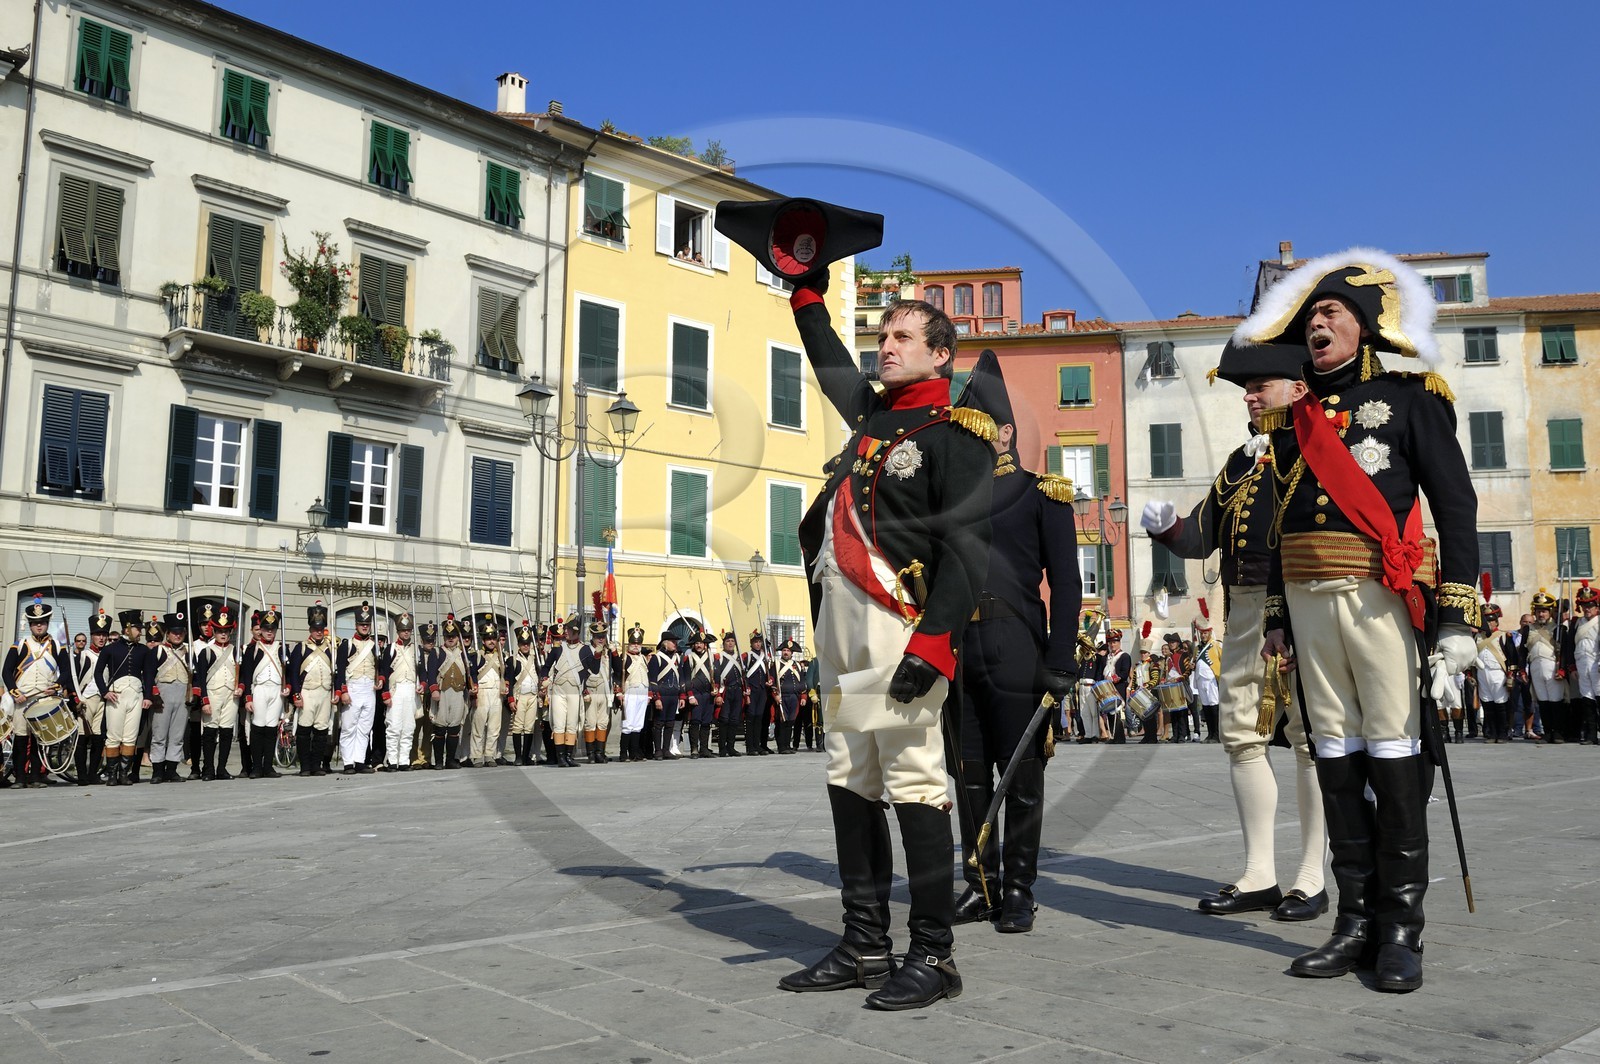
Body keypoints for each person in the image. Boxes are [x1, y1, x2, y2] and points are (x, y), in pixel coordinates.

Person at [1249, 248, 1480, 992]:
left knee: (1393, 755)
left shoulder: (1414, 400)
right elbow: (1280, 524)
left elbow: (1457, 508)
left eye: (1331, 313)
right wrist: (1279, 613)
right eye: (1311, 315)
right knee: (1336, 758)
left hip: (1380, 598)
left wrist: (1457, 620)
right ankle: (1353, 923)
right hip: (1311, 602)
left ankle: (1402, 928)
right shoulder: (1297, 421)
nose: (1317, 325)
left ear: (1366, 327)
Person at [776, 277, 994, 1011]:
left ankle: (934, 954)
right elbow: (831, 363)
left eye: (902, 336)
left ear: (940, 355)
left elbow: (969, 550)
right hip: (840, 624)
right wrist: (806, 294)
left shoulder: (955, 434)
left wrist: (934, 643)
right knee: (850, 778)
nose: (885, 344)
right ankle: (865, 942)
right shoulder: (872, 420)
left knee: (913, 781)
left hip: (900, 627)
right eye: (883, 334)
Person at [1143, 338, 1329, 920]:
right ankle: (1259, 873)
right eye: (1246, 388)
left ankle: (1310, 876)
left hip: (1303, 598)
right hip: (1244, 608)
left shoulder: (1319, 449)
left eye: (1260, 386)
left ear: (1298, 388)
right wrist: (1170, 528)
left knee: (1311, 739)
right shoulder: (1244, 461)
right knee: (1241, 734)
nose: (1249, 396)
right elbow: (1206, 534)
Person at [944, 349, 1081, 932]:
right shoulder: (947, 503)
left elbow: (1068, 583)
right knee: (968, 772)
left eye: (976, 430)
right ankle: (980, 884)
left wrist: (1059, 658)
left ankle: (1019, 889)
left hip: (1015, 641)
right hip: (958, 643)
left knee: (1019, 775)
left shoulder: (1040, 493)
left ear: (1003, 433)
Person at [5, 595, 77, 788]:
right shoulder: (20, 644)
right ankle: (20, 778)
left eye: (42, 623)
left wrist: (56, 686)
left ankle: (35, 776)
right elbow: (6, 671)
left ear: (47, 624)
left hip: (44, 698)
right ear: (30, 625)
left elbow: (67, 672)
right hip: (23, 698)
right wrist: (14, 692)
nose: (39, 627)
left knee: (40, 740)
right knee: (20, 739)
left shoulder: (56, 645)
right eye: (35, 623)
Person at [191, 608, 241, 781]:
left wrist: (240, 686)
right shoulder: (206, 651)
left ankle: (222, 768)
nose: (223, 634)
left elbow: (242, 674)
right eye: (220, 631)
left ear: (230, 632)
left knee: (227, 732)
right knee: (210, 733)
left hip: (230, 696)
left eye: (226, 631)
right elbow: (201, 678)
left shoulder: (235, 651)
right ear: (214, 631)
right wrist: (204, 700)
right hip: (212, 694)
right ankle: (208, 768)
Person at [289, 603, 337, 776]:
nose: (318, 631)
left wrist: (336, 692)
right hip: (307, 693)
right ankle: (305, 766)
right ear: (310, 629)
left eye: (321, 628)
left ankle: (316, 765)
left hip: (324, 693)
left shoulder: (331, 648)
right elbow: (293, 673)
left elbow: (336, 673)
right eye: (315, 628)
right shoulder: (301, 648)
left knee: (321, 730)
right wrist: (296, 695)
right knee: (304, 731)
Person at [148, 613, 194, 783]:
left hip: (182, 694)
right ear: (167, 633)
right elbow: (149, 674)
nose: (177, 635)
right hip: (163, 693)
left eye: (180, 632)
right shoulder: (158, 651)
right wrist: (154, 694)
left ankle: (172, 769)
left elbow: (194, 676)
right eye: (174, 632)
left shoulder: (189, 651)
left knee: (177, 735)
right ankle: (157, 770)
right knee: (159, 734)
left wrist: (194, 695)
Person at [71, 611, 112, 785]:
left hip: (103, 701)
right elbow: (72, 678)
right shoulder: (83, 656)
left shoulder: (110, 655)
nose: (101, 638)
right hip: (86, 700)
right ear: (92, 636)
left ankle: (93, 773)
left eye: (104, 635)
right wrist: (76, 699)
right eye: (98, 635)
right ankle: (82, 775)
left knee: (98, 738)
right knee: (82, 738)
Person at [380, 612, 422, 771]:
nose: (406, 632)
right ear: (397, 631)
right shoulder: (391, 649)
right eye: (403, 630)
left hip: (411, 690)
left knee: (409, 727)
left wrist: (422, 684)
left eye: (409, 630)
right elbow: (383, 672)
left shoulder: (416, 649)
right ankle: (392, 760)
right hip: (395, 690)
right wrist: (385, 694)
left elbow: (422, 671)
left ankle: (404, 760)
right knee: (394, 727)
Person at [465, 613, 507, 767]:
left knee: (494, 726)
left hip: (496, 693)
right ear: (483, 640)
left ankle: (490, 754)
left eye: (493, 638)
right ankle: (476, 755)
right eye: (488, 639)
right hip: (482, 692)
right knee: (478, 726)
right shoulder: (476, 656)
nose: (491, 641)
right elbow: (473, 675)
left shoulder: (502, 656)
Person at [1523, 591, 1565, 744]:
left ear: (1550, 612)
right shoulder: (1528, 629)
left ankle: (1558, 732)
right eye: (1539, 611)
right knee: (1543, 701)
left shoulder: (1558, 629)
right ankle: (1547, 732)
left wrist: (1563, 668)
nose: (1541, 614)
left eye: (1544, 611)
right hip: (1535, 666)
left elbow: (1564, 651)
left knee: (1556, 700)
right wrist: (1522, 669)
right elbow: (1523, 651)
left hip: (1552, 666)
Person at [429, 615, 470, 769]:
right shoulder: (437, 652)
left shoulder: (463, 653)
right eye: (448, 636)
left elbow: (469, 672)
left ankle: (451, 760)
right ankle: (439, 761)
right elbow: (431, 672)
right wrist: (433, 689)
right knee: (439, 727)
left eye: (453, 636)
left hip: (458, 692)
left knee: (454, 728)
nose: (450, 639)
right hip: (442, 692)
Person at [1566, 582, 1599, 744]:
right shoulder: (1577, 623)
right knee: (1587, 700)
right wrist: (1571, 666)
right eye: (1584, 606)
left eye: (1590, 606)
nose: (1587, 609)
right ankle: (1591, 735)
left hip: (1597, 665)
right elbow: (1571, 646)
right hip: (1581, 664)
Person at [1475, 604, 1510, 742]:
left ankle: (1502, 733)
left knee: (1500, 705)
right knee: (1487, 704)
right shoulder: (1477, 636)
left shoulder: (1503, 636)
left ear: (1496, 621)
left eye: (1491, 620)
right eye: (1486, 620)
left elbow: (1511, 655)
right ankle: (1491, 732)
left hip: (1498, 673)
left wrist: (1511, 675)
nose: (1488, 623)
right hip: (1482, 673)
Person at [581, 621, 615, 764]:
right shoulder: (586, 650)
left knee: (602, 723)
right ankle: (590, 754)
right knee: (590, 722)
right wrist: (583, 690)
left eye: (603, 636)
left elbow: (617, 670)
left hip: (605, 690)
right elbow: (581, 671)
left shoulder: (608, 651)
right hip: (591, 689)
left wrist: (615, 653)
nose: (601, 639)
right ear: (592, 636)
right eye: (598, 636)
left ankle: (599, 753)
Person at [646, 629, 683, 761]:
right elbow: (652, 680)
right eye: (672, 642)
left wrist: (682, 696)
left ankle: (666, 750)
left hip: (673, 696)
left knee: (670, 724)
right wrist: (656, 698)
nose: (675, 644)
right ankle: (658, 751)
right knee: (658, 724)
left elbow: (681, 679)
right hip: (662, 696)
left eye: (675, 642)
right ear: (665, 643)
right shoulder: (657, 658)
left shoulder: (677, 658)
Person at [618, 623, 651, 762]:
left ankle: (634, 753)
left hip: (642, 693)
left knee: (638, 724)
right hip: (630, 692)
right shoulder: (624, 657)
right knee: (628, 724)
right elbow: (618, 677)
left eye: (638, 643)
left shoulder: (643, 658)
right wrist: (619, 693)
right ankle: (623, 754)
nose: (636, 646)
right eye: (633, 643)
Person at [1095, 631, 1133, 743]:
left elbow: (1124, 673)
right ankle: (1114, 736)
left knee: (1118, 711)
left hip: (1119, 686)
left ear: (1119, 642)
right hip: (1108, 687)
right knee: (1110, 711)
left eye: (1115, 642)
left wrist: (1112, 679)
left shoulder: (1124, 656)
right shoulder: (1107, 657)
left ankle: (1120, 737)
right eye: (1111, 643)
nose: (1112, 645)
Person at [773, 638, 806, 755]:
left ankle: (787, 744)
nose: (785, 652)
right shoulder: (776, 664)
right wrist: (775, 695)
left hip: (794, 697)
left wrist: (803, 697)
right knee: (782, 721)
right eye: (784, 650)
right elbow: (772, 682)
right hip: (782, 696)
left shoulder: (796, 665)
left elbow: (802, 682)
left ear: (792, 653)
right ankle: (781, 746)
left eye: (788, 651)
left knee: (791, 721)